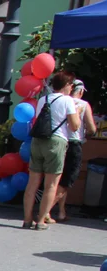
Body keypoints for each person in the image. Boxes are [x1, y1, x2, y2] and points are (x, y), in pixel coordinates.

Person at [23, 71, 80, 230]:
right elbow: (75, 125)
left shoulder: (43, 99)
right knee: (51, 184)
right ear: (67, 85)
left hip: (38, 141)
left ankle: (27, 220)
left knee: (32, 183)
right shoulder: (67, 100)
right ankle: (40, 221)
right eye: (71, 85)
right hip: (56, 142)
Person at [50, 78, 97, 223]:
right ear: (81, 91)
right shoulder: (83, 104)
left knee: (58, 179)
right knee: (68, 180)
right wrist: (91, 132)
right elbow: (91, 128)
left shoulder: (60, 102)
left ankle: (62, 212)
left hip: (57, 142)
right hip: (74, 144)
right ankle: (45, 210)